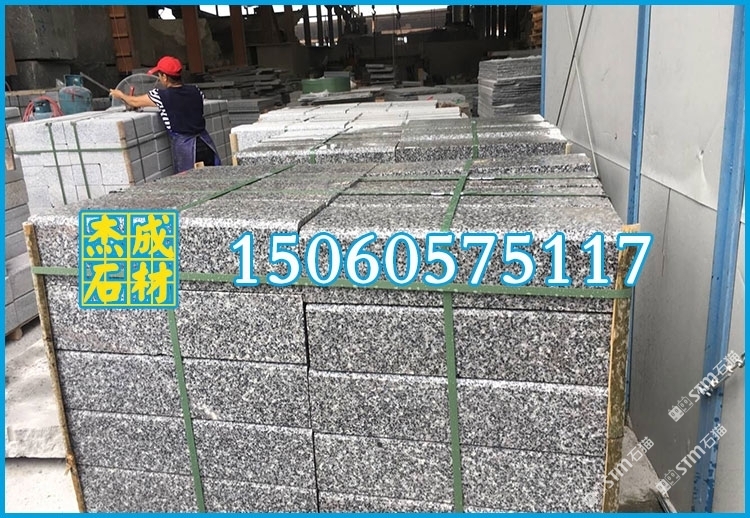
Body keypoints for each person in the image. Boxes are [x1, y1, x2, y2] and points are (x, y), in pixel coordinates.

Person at [109, 55, 220, 174]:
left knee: (188, 181)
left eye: (159, 75)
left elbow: (134, 101)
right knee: (211, 177)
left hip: (186, 148)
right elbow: (183, 105)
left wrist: (120, 95)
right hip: (205, 143)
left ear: (165, 77)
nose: (159, 78)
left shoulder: (161, 96)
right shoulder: (196, 90)